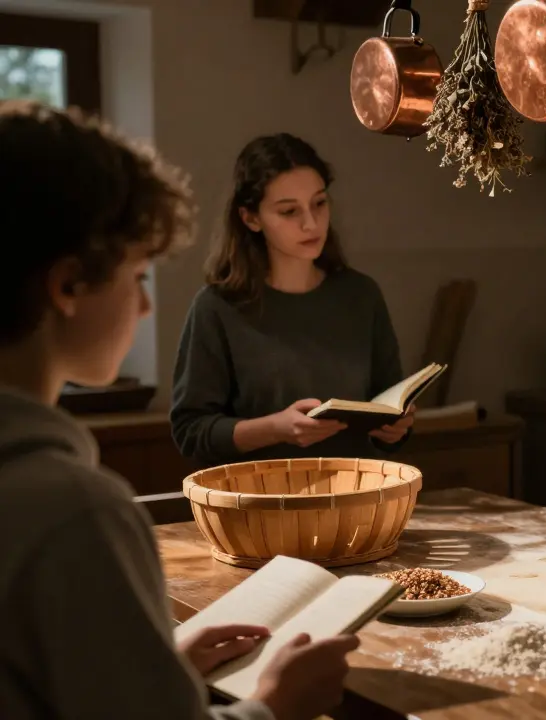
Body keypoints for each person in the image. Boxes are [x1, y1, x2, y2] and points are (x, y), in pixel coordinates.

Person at [0, 100, 360, 719]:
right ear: (67, 287)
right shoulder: (73, 511)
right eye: (138, 275)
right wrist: (274, 705)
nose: (143, 307)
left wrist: (158, 658)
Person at [170, 133, 415, 469]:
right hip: (260, 504)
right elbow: (191, 431)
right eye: (288, 211)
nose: (311, 223)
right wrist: (275, 429)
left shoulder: (361, 295)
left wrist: (395, 429)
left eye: (319, 203)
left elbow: (387, 413)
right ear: (250, 218)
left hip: (357, 499)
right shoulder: (217, 308)